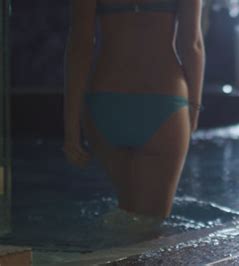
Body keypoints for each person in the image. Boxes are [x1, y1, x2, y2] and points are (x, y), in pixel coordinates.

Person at [62, 0, 205, 222]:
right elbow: (192, 44)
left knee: (128, 212)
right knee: (151, 226)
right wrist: (194, 109)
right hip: (163, 100)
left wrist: (71, 128)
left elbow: (80, 46)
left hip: (105, 103)